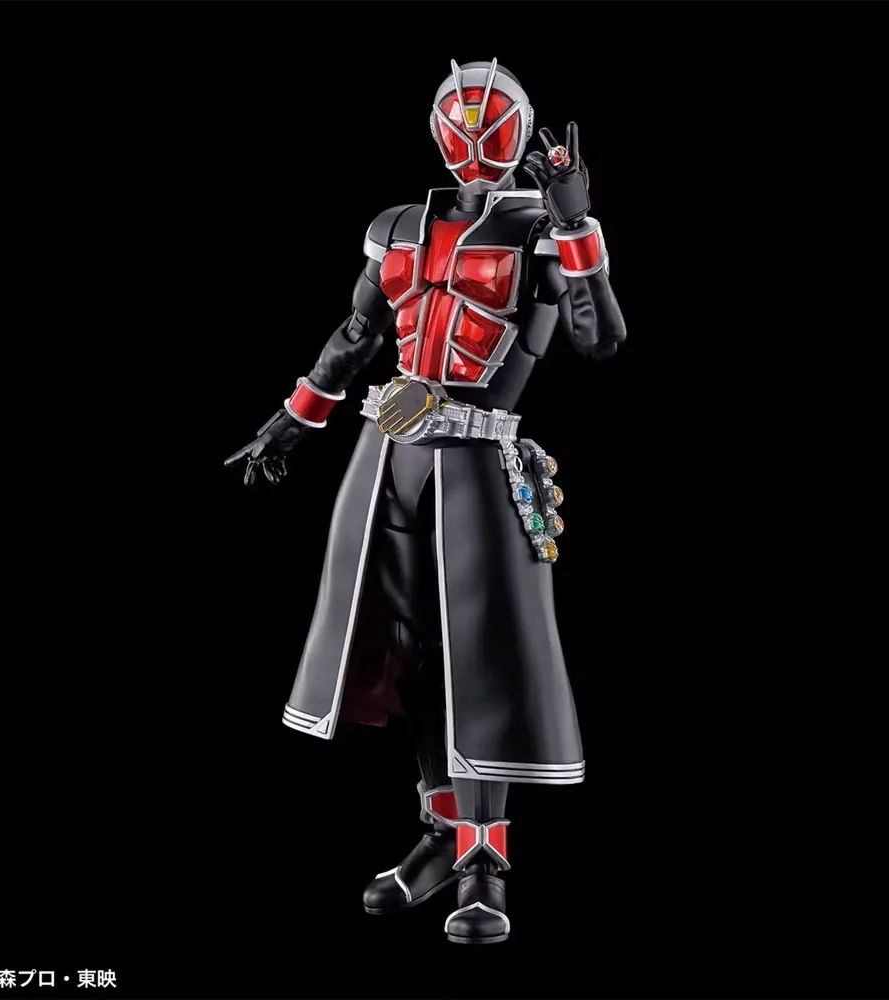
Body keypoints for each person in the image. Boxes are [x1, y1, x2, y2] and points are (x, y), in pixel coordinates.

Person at [225, 58, 626, 944]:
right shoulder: (398, 226)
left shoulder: (538, 235)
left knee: (478, 655)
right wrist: (294, 419)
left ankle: (486, 862)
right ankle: (441, 834)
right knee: (403, 652)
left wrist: (576, 224)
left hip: (477, 460)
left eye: (491, 124)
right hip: (386, 454)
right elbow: (358, 333)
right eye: (461, 122)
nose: (475, 139)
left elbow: (600, 338)